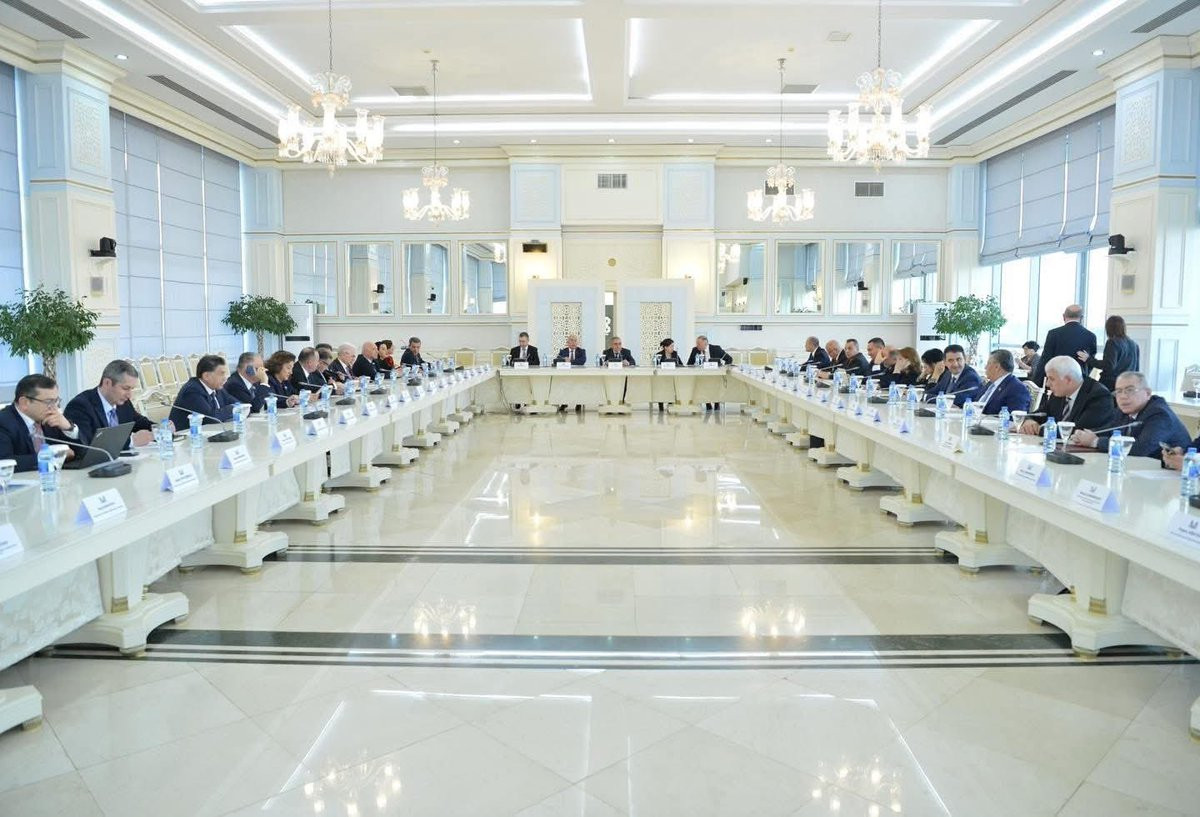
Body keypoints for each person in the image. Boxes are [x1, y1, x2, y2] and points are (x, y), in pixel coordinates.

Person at [1071, 372, 1190, 462]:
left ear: (1147, 393)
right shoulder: (1124, 410)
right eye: (1118, 391)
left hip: (1169, 476)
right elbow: (1110, 430)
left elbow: (1141, 449)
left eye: (1130, 390)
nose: (1123, 396)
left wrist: (1095, 441)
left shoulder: (1159, 414)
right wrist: (1085, 435)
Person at [64, 359, 157, 450]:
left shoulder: (124, 403)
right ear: (107, 383)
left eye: (131, 389)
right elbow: (87, 444)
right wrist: (132, 441)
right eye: (125, 388)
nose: (129, 395)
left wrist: (161, 429)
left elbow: (142, 423)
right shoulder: (80, 406)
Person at [1020, 355, 1116, 435]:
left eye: (1051, 379)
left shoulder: (1099, 396)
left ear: (1068, 380)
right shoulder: (1059, 392)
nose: (1048, 384)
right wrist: (1029, 420)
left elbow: (1076, 431)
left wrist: (1039, 429)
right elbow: (1040, 414)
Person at [0, 374, 79, 471]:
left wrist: (68, 428)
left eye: (56, 401)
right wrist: (52, 456)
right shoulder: (3, 422)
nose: (54, 408)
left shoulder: (51, 419)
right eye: (49, 402)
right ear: (24, 403)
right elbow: (4, 462)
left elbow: (81, 454)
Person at [1031, 304, 1097, 386]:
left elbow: (1045, 359)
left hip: (1056, 379)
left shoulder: (1054, 334)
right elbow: (1090, 362)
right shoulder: (1091, 336)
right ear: (1082, 318)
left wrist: (1037, 382)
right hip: (1079, 381)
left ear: (1063, 316)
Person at [169, 355, 238, 430]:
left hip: (212, 431)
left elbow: (239, 404)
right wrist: (233, 408)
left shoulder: (217, 387)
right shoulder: (192, 391)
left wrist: (236, 407)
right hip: (187, 435)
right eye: (221, 374)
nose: (225, 378)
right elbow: (211, 418)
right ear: (206, 376)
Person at [1078, 315, 1139, 392]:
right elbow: (1136, 369)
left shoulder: (1112, 342)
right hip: (1128, 384)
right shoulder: (1134, 344)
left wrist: (1088, 359)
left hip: (1111, 385)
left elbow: (1108, 365)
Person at [972, 349, 1031, 415]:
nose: (985, 367)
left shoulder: (1017, 389)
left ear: (997, 367)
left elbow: (1014, 418)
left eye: (988, 363)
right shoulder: (990, 383)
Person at [655, 339, 685, 412]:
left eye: (673, 346)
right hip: (662, 377)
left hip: (672, 376)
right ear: (666, 347)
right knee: (661, 388)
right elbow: (655, 365)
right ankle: (661, 405)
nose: (673, 348)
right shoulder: (659, 354)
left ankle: (670, 404)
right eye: (671, 346)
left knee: (674, 386)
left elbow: (681, 364)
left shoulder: (675, 353)